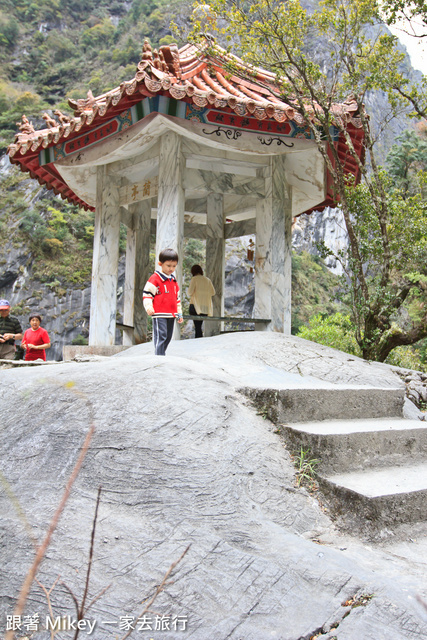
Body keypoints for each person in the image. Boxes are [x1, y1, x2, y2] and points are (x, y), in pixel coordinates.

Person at [143, 248, 183, 355]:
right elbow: (147, 294)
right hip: (159, 313)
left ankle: (161, 354)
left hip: (171, 314)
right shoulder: (155, 278)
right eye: (168, 266)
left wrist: (179, 313)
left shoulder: (173, 281)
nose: (171, 268)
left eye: (174, 266)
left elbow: (177, 299)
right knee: (161, 335)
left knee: (168, 337)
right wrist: (148, 307)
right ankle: (159, 357)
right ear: (160, 264)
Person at [187, 265, 216, 338]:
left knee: (197, 327)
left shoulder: (194, 279)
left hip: (195, 306)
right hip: (205, 307)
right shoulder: (207, 280)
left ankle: (198, 340)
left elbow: (189, 292)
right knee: (199, 326)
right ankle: (199, 339)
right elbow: (213, 293)